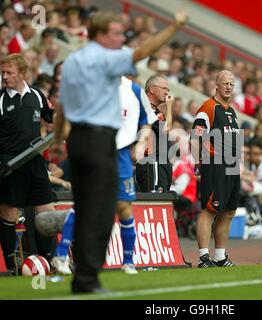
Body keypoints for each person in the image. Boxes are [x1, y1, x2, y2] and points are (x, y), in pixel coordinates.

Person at [57, 10, 188, 293]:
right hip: (102, 140)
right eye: (116, 33)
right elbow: (144, 51)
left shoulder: (73, 61)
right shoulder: (106, 58)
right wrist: (174, 26)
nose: (120, 38)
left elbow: (63, 106)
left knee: (83, 206)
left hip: (77, 141)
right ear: (101, 35)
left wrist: (58, 138)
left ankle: (75, 270)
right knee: (103, 212)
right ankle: (87, 279)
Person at [51, 76, 157, 275]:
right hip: (93, 151)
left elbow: (146, 122)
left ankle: (128, 261)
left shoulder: (134, 90)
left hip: (122, 154)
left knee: (124, 207)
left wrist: (141, 143)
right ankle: (61, 255)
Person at [0, 54, 55, 274]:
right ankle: (12, 266)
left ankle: (49, 261)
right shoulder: (1, 100)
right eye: (3, 72)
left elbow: (50, 119)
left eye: (9, 73)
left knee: (46, 214)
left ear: (22, 74)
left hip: (35, 161)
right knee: (9, 214)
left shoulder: (38, 96)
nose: (4, 77)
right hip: (9, 165)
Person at [190, 70, 242, 268]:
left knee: (228, 211)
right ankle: (203, 257)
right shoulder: (208, 107)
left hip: (232, 165)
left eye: (232, 84)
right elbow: (196, 136)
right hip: (215, 163)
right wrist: (198, 162)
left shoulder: (231, 111)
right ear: (216, 85)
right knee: (210, 210)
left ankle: (220, 256)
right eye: (225, 83)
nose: (229, 86)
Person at [136, 75, 174, 193]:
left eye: (168, 89)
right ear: (152, 89)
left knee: (160, 199)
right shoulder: (146, 108)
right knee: (155, 199)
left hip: (159, 163)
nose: (167, 92)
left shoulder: (154, 110)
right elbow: (166, 128)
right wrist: (169, 107)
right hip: (152, 162)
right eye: (164, 88)